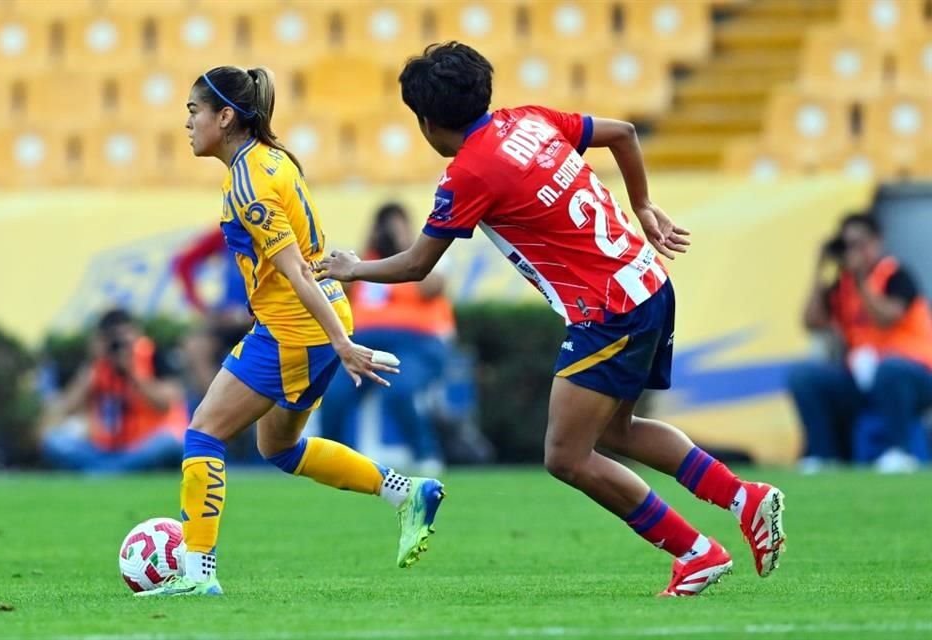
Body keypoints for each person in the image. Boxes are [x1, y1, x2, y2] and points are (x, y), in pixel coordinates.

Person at [320, 42, 785, 597]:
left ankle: (695, 552)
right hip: (648, 280)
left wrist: (353, 268)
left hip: (609, 310)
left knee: (566, 456)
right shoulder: (529, 120)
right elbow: (625, 134)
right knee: (617, 431)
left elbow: (418, 263)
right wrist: (642, 204)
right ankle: (744, 499)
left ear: (425, 121)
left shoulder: (468, 173)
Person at [140, 66, 445, 597]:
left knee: (204, 431)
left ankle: (197, 574)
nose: (187, 124)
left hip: (295, 330)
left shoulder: (248, 182)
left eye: (194, 112)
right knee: (278, 447)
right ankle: (406, 493)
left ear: (225, 116)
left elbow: (297, 270)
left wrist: (340, 344)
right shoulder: (271, 158)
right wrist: (337, 334)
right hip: (316, 319)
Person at [789, 213, 932, 473]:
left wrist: (860, 281)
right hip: (863, 377)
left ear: (877, 241)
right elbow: (812, 322)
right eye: (848, 245)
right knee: (804, 377)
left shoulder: (895, 274)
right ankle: (822, 455)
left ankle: (901, 452)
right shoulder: (842, 285)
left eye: (860, 244)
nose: (853, 252)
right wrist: (819, 271)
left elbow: (886, 318)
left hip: (913, 375)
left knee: (889, 370)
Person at [322, 202, 455, 474]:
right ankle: (332, 460)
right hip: (365, 344)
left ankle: (425, 455)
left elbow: (432, 288)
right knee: (335, 393)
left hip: (417, 343)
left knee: (401, 389)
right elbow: (338, 289)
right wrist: (361, 259)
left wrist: (405, 247)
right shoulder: (363, 262)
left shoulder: (425, 255)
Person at [39, 309, 187, 473]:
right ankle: (114, 470)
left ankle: (105, 471)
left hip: (144, 447)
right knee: (55, 442)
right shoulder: (97, 366)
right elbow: (65, 409)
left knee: (168, 443)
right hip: (105, 450)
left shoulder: (152, 357)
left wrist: (133, 372)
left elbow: (164, 404)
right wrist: (92, 366)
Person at [172, 226, 253, 413]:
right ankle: (217, 412)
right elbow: (184, 263)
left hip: (262, 319)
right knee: (195, 347)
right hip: (229, 319)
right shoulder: (229, 230)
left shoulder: (275, 234)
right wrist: (202, 308)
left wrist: (249, 315)